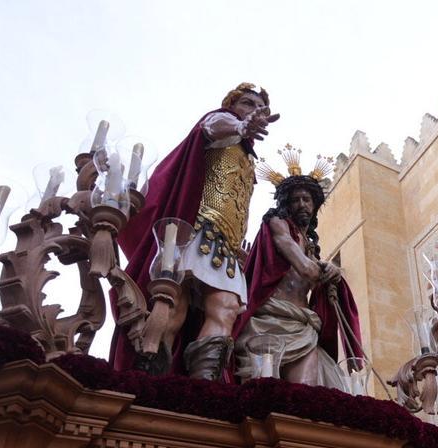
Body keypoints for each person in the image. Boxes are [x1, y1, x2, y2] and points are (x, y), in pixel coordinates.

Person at [112, 83, 278, 379]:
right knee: (174, 305)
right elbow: (212, 127)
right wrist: (240, 125)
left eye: (259, 107)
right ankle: (151, 379)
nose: (253, 110)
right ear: (232, 105)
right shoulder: (222, 122)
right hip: (196, 229)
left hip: (227, 245)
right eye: (246, 103)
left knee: (227, 308)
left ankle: (204, 387)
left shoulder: (248, 158)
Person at [233, 159, 361, 386]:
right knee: (261, 392)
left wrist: (333, 272)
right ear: (287, 204)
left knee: (305, 394)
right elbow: (306, 268)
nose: (302, 204)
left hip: (303, 327)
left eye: (307, 199)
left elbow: (317, 275)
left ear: (314, 205)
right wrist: (328, 270)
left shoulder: (311, 247)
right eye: (296, 200)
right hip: (269, 321)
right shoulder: (277, 224)